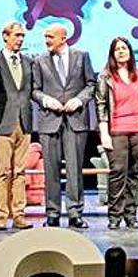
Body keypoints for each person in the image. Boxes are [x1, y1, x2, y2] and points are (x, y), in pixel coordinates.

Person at [32, 23, 96, 228]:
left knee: (75, 168)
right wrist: (46, 101)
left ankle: (75, 212)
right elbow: (34, 89)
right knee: (50, 169)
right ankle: (52, 213)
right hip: (49, 120)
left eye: (50, 36)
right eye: (45, 36)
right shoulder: (39, 60)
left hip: (75, 120)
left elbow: (90, 84)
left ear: (63, 37)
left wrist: (79, 100)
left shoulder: (81, 56)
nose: (47, 40)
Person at [95, 37, 138, 230]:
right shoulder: (106, 77)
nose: (121, 51)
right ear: (112, 53)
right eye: (117, 49)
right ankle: (115, 216)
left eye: (124, 48)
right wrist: (104, 132)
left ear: (130, 52)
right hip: (116, 131)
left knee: (133, 175)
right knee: (118, 173)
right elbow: (101, 104)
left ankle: (131, 216)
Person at [0, 21, 34, 230]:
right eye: (16, 35)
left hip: (24, 123)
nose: (20, 39)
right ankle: (1, 215)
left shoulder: (28, 61)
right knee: (3, 172)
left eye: (22, 36)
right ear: (5, 36)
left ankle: (19, 214)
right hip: (3, 124)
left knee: (20, 172)